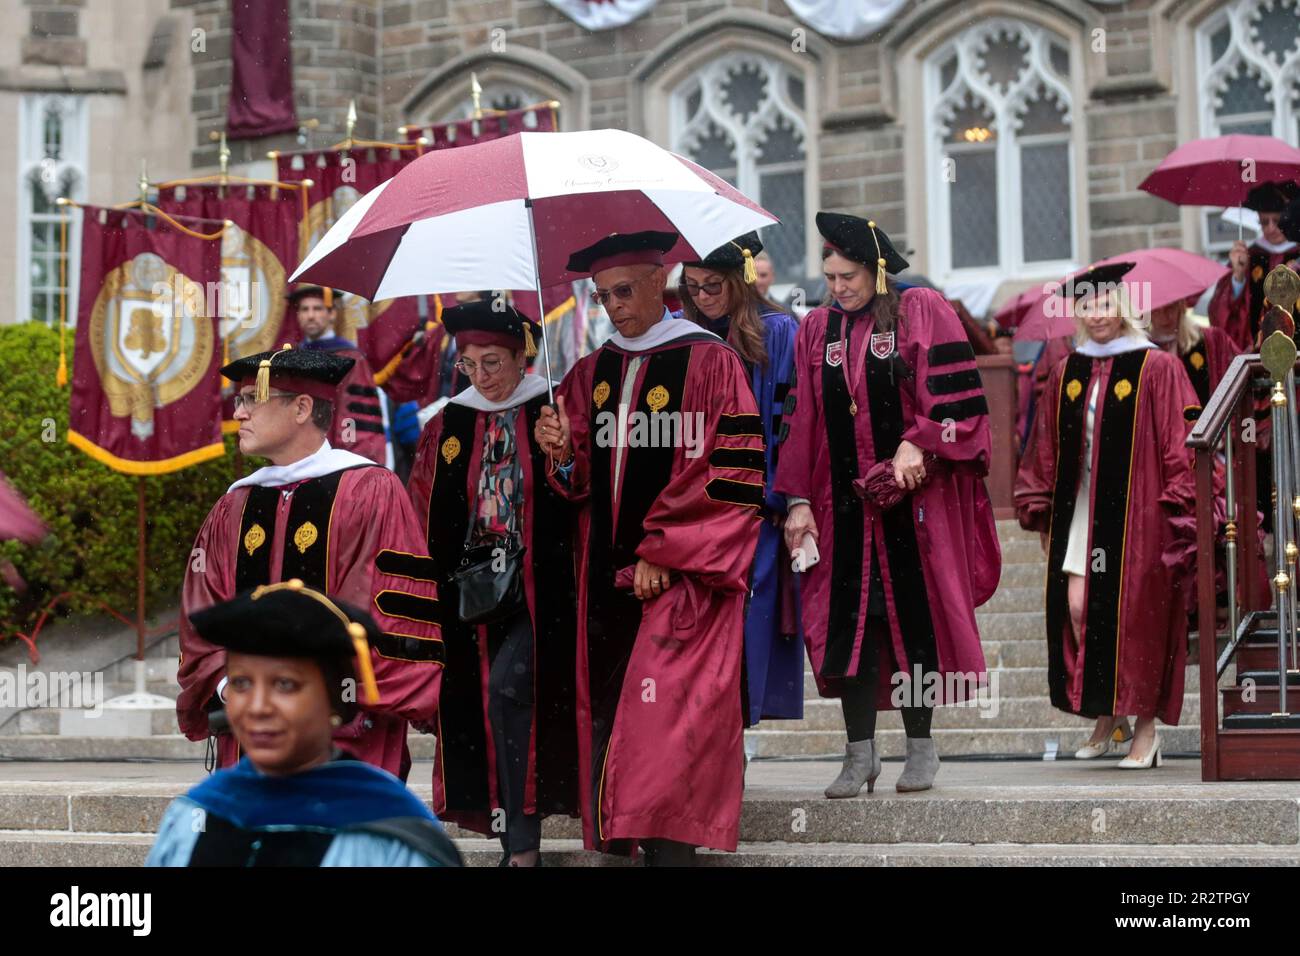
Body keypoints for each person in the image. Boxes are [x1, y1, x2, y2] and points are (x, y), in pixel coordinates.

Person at [533, 230, 763, 866]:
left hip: (680, 583)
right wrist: (559, 454)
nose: (612, 306)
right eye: (603, 295)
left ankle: (672, 854)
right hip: (606, 584)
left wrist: (664, 550)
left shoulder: (709, 361)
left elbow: (731, 471)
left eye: (624, 291)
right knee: (621, 720)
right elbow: (579, 482)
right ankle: (632, 836)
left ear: (660, 283)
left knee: (668, 727)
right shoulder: (591, 371)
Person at [775, 212, 999, 797]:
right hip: (838, 508)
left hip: (909, 509)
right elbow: (800, 421)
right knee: (853, 627)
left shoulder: (919, 310)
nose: (838, 286)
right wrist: (797, 500)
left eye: (848, 275)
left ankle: (920, 748)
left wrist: (918, 439)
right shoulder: (814, 329)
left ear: (876, 269)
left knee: (911, 626)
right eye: (829, 276)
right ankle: (859, 754)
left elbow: (959, 406)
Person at [176, 346, 443, 778]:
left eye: (252, 400)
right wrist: (232, 686)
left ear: (302, 407)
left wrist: (326, 687)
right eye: (238, 400)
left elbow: (383, 606)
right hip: (250, 732)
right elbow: (201, 612)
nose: (239, 414)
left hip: (347, 725)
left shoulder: (371, 490)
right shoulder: (235, 505)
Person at [406, 300, 578, 868]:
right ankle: (515, 846)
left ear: (522, 356)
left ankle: (523, 850)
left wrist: (566, 455)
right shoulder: (446, 424)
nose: (481, 377)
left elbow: (587, 496)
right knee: (484, 703)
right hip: (473, 593)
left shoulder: (553, 409)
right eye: (469, 364)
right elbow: (419, 514)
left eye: (494, 363)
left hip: (543, 588)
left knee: (509, 689)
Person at [1015, 262, 1198, 769]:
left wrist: (1179, 509)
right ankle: (1107, 711)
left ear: (1123, 306)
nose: (1097, 315)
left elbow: (1179, 444)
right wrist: (1041, 506)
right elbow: (1044, 445)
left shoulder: (1156, 367)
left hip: (1140, 512)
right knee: (1078, 607)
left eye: (1105, 304)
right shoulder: (1067, 371)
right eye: (1087, 306)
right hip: (1083, 510)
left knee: (1137, 618)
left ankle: (1144, 728)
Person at [149, 584, 461, 867]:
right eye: (241, 683)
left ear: (333, 699)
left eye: (285, 685)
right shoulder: (201, 810)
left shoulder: (390, 827)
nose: (258, 707)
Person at [678, 232, 803, 728]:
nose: (704, 297)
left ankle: (734, 736)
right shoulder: (683, 336)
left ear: (740, 279)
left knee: (749, 625)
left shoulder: (776, 332)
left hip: (755, 510)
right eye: (692, 287)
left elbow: (790, 419)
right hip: (696, 508)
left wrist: (783, 495)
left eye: (713, 286)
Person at [290, 284, 388, 464]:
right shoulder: (293, 358)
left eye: (318, 308)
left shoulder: (349, 358)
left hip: (334, 459)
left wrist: (350, 460)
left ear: (332, 314)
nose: (311, 315)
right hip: (298, 460)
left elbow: (354, 415)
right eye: (305, 309)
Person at [1207, 181, 1299, 351]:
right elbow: (1219, 315)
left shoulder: (1297, 254)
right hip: (1257, 354)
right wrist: (1238, 277)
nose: (1270, 228)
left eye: (1277, 221)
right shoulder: (1249, 256)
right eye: (1264, 222)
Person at [1148, 298, 1240, 406]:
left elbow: (1241, 367)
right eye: (1156, 310)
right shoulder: (1139, 353)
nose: (1164, 317)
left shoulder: (1211, 339)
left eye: (1170, 307)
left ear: (1181, 306)